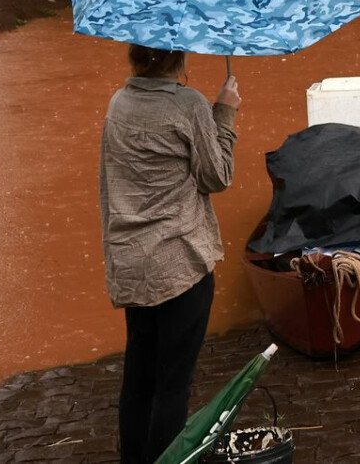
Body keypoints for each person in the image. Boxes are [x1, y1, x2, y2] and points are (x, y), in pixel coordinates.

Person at [99, 44, 240, 463]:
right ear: (179, 57)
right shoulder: (189, 104)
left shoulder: (119, 102)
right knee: (173, 384)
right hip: (180, 264)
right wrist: (225, 112)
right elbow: (217, 176)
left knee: (139, 379)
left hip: (133, 262)